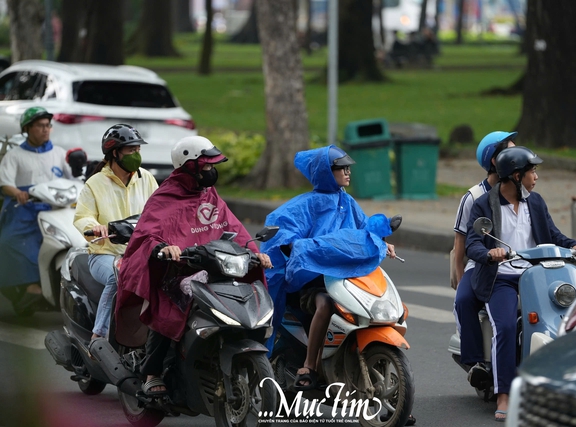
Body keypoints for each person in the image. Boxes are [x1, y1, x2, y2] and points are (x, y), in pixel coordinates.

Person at [261, 145, 416, 425]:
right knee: (325, 303)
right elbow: (280, 228)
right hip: (314, 281)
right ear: (325, 172)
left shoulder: (348, 201)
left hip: (347, 275)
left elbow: (364, 229)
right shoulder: (306, 204)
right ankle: (308, 367)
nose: (347, 172)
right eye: (341, 167)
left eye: (348, 167)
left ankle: (395, 396)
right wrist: (298, 245)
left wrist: (381, 240)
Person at [114, 135, 272, 395]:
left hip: (214, 268)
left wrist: (255, 252)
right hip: (176, 272)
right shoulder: (165, 197)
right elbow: (147, 233)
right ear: (189, 165)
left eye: (213, 166)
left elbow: (234, 228)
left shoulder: (209, 193)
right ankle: (152, 372)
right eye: (206, 165)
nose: (211, 171)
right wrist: (163, 247)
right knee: (169, 309)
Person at [465, 146, 576, 421]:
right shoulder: (485, 204)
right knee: (506, 326)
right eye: (533, 171)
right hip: (502, 278)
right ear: (516, 176)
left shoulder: (536, 202)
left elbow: (554, 235)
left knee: (567, 320)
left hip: (537, 273)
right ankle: (505, 394)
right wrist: (489, 253)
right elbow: (472, 243)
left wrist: (575, 245)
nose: (536, 176)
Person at [73, 124, 158, 342]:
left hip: (141, 254)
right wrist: (95, 227)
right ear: (114, 153)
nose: (136, 155)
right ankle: (99, 336)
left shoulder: (146, 178)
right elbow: (82, 216)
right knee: (118, 276)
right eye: (131, 151)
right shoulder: (95, 183)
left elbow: (160, 211)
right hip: (105, 254)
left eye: (138, 150)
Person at [451, 131, 516, 390]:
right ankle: (475, 362)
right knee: (465, 299)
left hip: (518, 264)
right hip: (479, 263)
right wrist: (458, 276)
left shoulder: (523, 193)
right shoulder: (473, 197)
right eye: (510, 152)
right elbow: (460, 242)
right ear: (494, 161)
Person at [0, 106, 74, 314]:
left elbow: (73, 179)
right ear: (27, 128)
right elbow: (5, 183)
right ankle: (30, 286)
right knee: (11, 242)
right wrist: (17, 193)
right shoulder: (15, 155)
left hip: (54, 210)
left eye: (48, 125)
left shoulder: (59, 153)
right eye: (40, 126)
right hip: (23, 212)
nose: (45, 129)